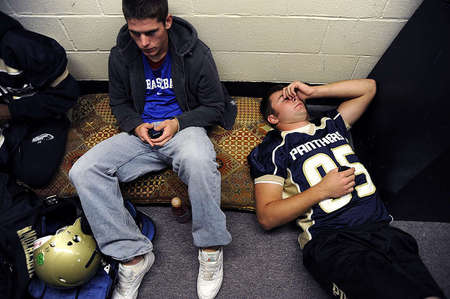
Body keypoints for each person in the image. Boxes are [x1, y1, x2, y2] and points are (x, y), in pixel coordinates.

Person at [68, 0, 235, 298]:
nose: (144, 42)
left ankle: (210, 247)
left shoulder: (197, 54)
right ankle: (133, 257)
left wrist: (177, 123)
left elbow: (214, 106)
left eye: (151, 32)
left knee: (198, 158)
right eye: (135, 34)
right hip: (141, 135)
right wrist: (135, 125)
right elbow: (118, 103)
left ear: (167, 22)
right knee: (83, 170)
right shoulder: (121, 56)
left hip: (183, 129)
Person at [248, 79, 444, 299]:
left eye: (294, 94)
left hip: (382, 229)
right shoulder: (273, 149)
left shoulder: (329, 123)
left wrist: (314, 92)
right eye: (285, 98)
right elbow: (267, 216)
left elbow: (369, 88)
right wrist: (322, 190)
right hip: (332, 239)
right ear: (273, 118)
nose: (294, 97)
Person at [0, 12, 79, 187]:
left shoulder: (21, 46)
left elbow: (67, 95)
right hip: (10, 121)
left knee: (35, 175)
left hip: (41, 116)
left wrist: (11, 111)